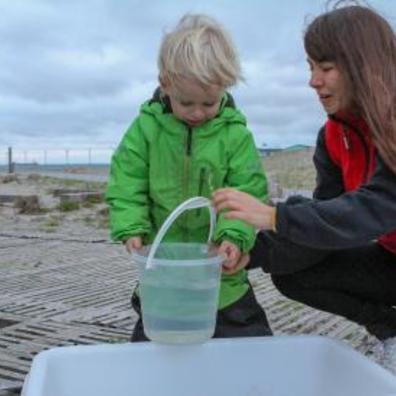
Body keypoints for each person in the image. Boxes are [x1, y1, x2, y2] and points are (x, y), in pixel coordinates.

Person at [213, 3, 396, 373]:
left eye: (326, 68)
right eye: (311, 68)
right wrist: (252, 252)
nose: (314, 81)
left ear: (364, 65)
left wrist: (274, 215)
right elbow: (328, 224)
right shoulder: (332, 136)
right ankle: (391, 330)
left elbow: (380, 206)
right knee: (293, 270)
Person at [106, 14, 272, 341]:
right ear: (165, 83)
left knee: (252, 355)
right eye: (186, 102)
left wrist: (234, 237)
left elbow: (247, 191)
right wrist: (131, 227)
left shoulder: (235, 136)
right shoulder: (146, 129)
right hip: (162, 278)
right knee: (151, 359)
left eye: (209, 103)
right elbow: (127, 181)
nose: (198, 112)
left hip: (223, 280)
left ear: (225, 87)